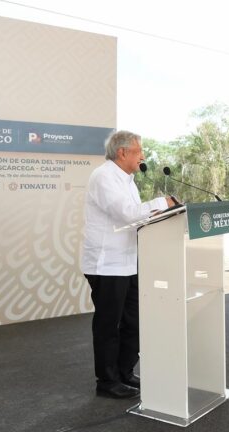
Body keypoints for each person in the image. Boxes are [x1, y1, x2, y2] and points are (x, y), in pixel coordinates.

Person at [81, 130, 177, 399]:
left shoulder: (128, 180)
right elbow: (126, 214)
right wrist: (163, 202)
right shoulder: (103, 176)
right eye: (139, 151)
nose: (143, 156)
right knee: (108, 325)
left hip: (129, 262)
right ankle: (107, 381)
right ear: (122, 152)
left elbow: (138, 219)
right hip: (106, 264)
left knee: (133, 322)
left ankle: (124, 372)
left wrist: (168, 210)